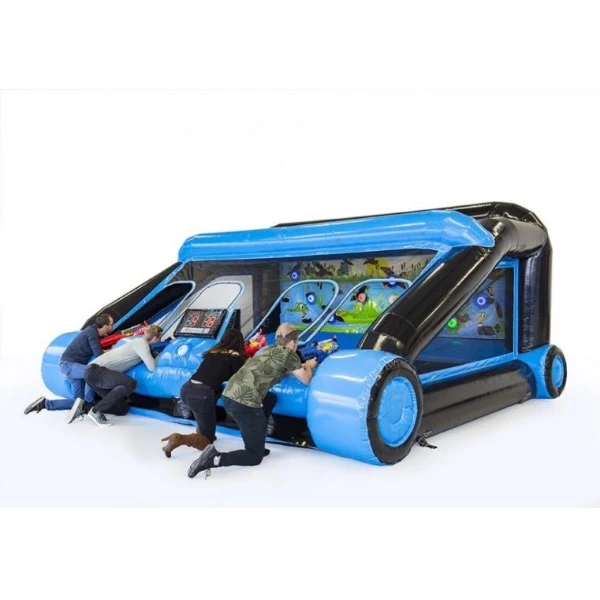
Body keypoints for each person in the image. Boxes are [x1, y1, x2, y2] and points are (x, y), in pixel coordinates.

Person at [187, 323, 317, 479]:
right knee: (254, 456)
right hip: (244, 402)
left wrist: (298, 367)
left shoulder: (267, 350)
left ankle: (257, 439)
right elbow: (306, 380)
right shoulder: (290, 354)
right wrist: (309, 366)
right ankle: (214, 458)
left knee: (270, 398)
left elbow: (279, 368)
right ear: (293, 343)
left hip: (228, 395)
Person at [161, 329, 247, 458]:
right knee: (207, 441)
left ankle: (202, 431)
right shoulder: (235, 356)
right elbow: (239, 378)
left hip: (187, 388)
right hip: (201, 395)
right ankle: (179, 439)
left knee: (209, 405)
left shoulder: (213, 352)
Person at [71, 324, 163, 427]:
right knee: (130, 383)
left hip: (94, 374)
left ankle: (84, 407)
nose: (160, 341)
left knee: (121, 408)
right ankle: (96, 411)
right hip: (95, 371)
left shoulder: (137, 343)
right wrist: (159, 357)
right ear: (155, 338)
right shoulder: (141, 344)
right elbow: (152, 367)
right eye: (160, 338)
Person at [23, 313, 114, 418]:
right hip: (69, 365)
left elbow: (96, 350)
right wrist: (112, 351)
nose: (113, 326)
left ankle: (44, 404)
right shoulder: (91, 332)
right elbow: (98, 354)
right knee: (92, 373)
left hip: (72, 367)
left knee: (78, 403)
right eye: (111, 324)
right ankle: (90, 404)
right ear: (105, 326)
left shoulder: (92, 332)